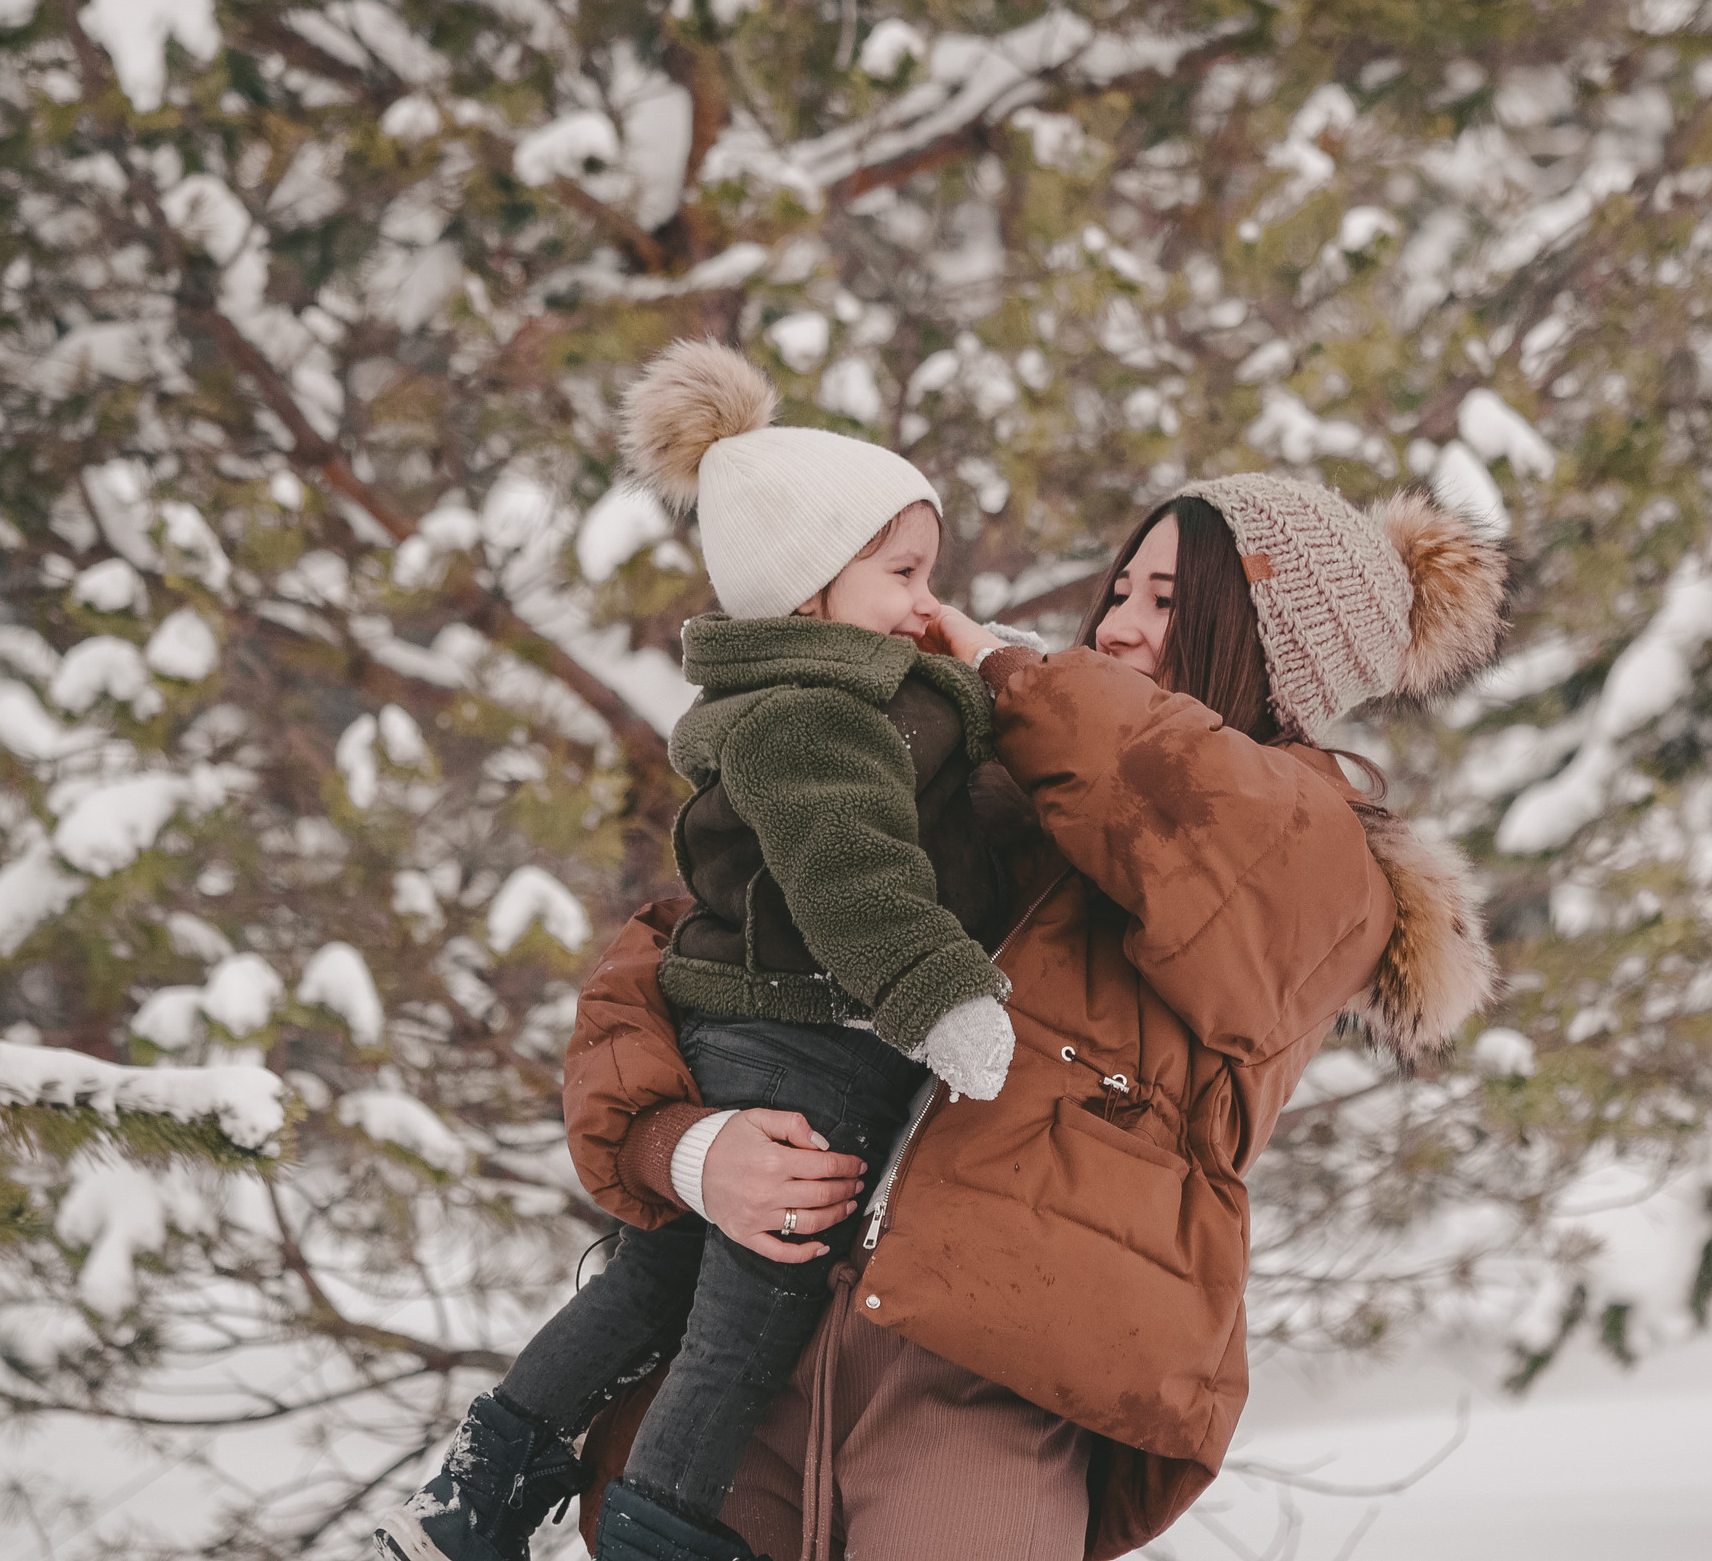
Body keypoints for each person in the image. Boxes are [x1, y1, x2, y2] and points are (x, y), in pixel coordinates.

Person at [561, 472, 1515, 1559]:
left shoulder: (1318, 870)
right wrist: (680, 1149)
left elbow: (1184, 807)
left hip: (986, 1397)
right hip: (751, 1366)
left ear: (1277, 652)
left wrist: (1012, 673)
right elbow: (674, 952)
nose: (1117, 624)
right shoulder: (993, 780)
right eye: (1120, 591)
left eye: (1168, 602)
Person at [373, 342, 1025, 1561]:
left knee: (654, 1284)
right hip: (812, 1047)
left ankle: (474, 1500)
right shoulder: (814, 717)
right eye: (901, 573)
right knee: (745, 1320)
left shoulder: (819, 699)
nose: (924, 603)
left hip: (758, 1033)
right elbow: (855, 877)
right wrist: (940, 993)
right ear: (807, 589)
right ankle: (660, 1539)